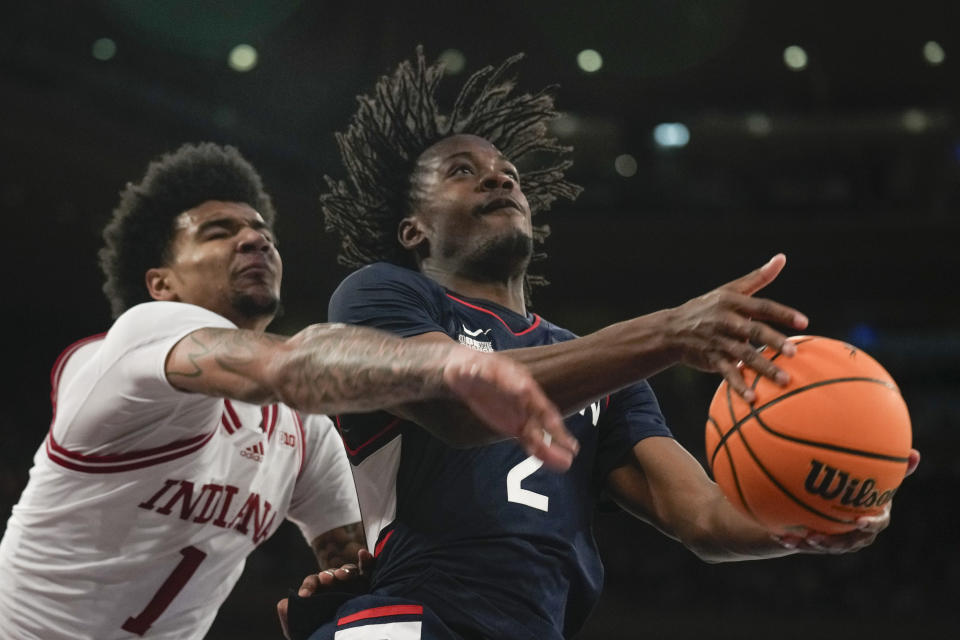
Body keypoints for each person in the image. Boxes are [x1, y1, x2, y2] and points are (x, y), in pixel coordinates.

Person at [288, 49, 921, 640]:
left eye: (509, 175)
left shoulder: (603, 366)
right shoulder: (379, 296)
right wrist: (668, 331)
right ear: (412, 229)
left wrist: (825, 514)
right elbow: (458, 401)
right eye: (463, 172)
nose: (499, 181)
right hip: (414, 615)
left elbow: (700, 515)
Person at [0, 142, 573, 640]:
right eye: (220, 232)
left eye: (262, 232)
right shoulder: (129, 347)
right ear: (161, 284)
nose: (254, 239)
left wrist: (343, 593)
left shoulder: (303, 433)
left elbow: (358, 560)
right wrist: (450, 365)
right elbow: (292, 365)